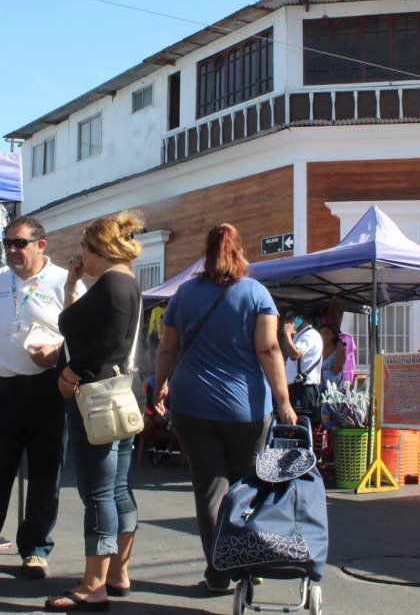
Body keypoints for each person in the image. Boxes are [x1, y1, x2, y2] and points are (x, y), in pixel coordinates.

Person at [153, 223, 297, 593]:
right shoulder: (256, 293)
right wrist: (284, 402)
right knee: (248, 486)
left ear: (205, 253)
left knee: (209, 489)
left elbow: (167, 347)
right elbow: (269, 349)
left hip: (191, 404)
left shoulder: (184, 293)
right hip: (244, 408)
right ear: (239, 252)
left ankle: (218, 572)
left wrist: (161, 384)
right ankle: (248, 563)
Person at [0, 215, 81, 583]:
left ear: (41, 245)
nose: (10, 249)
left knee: (46, 475)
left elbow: (84, 332)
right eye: (7, 243)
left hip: (48, 390)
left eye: (19, 243)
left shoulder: (64, 282)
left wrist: (58, 352)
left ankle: (35, 549)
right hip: (4, 389)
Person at [44, 211, 144, 611]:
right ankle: (117, 574)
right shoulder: (120, 283)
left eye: (85, 247)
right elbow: (80, 328)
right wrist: (72, 283)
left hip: (97, 398)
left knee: (99, 492)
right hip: (117, 395)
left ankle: (94, 585)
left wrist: (71, 373)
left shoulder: (113, 285)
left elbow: (107, 343)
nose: (80, 255)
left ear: (101, 248)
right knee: (116, 489)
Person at [280, 306, 324, 420]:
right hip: (296, 388)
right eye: (285, 319)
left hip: (304, 388)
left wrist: (287, 334)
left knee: (302, 424)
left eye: (289, 318)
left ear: (299, 318)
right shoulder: (299, 336)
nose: (286, 322)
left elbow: (295, 354)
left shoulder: (309, 335)